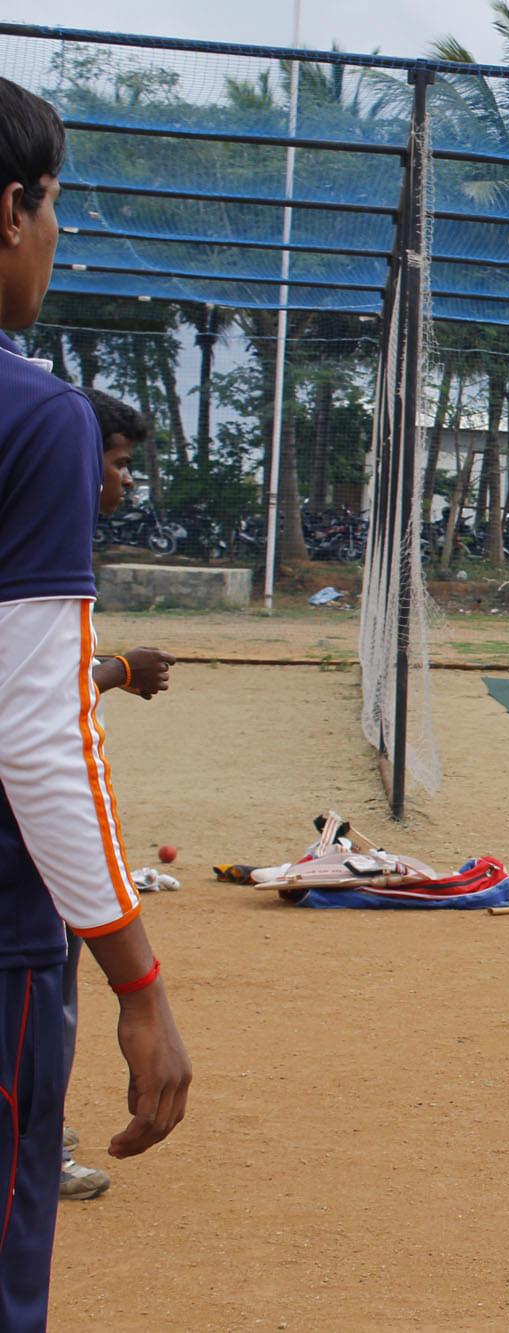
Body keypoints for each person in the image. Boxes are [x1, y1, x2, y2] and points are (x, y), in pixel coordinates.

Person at [0, 74, 192, 1321]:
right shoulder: (35, 415)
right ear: (12, 211)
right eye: (57, 204)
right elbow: (32, 739)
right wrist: (138, 981)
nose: (58, 235)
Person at [56, 390, 177, 1203]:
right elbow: (41, 718)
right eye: (119, 462)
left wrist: (112, 671)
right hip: (28, 834)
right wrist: (141, 987)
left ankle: (39, 1132)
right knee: (41, 980)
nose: (123, 481)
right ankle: (35, 1140)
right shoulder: (40, 549)